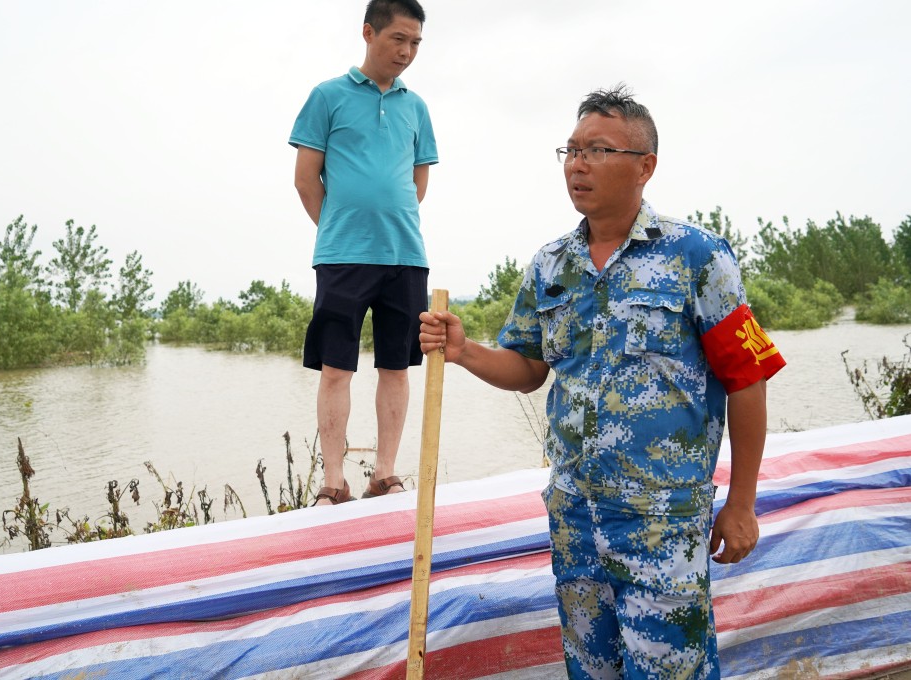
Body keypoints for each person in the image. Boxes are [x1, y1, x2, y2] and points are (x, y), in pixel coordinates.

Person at [419, 85, 785, 677]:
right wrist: (465, 352)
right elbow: (529, 370)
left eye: (597, 150)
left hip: (661, 519)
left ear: (645, 167)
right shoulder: (551, 265)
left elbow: (748, 380)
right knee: (592, 670)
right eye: (570, 149)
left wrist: (742, 503)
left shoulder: (696, 256)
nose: (577, 163)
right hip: (576, 516)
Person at [289, 0, 437, 506]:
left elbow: (418, 183)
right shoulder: (327, 96)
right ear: (369, 32)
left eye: (416, 42)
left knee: (397, 366)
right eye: (398, 38)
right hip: (343, 257)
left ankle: (385, 473)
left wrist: (383, 224)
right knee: (336, 368)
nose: (407, 51)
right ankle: (333, 481)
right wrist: (340, 230)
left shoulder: (415, 107)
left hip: (405, 255)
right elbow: (306, 179)